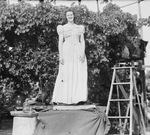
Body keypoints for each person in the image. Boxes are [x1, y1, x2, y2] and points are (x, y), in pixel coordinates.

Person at [51, 9, 88, 105]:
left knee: (78, 72)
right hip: (66, 50)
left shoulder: (79, 28)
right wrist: (61, 55)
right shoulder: (62, 28)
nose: (70, 16)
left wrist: (83, 52)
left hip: (78, 50)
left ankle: (78, 98)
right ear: (66, 17)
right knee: (66, 72)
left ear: (74, 16)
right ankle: (64, 99)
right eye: (68, 15)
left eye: (71, 14)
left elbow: (82, 41)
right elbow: (60, 42)